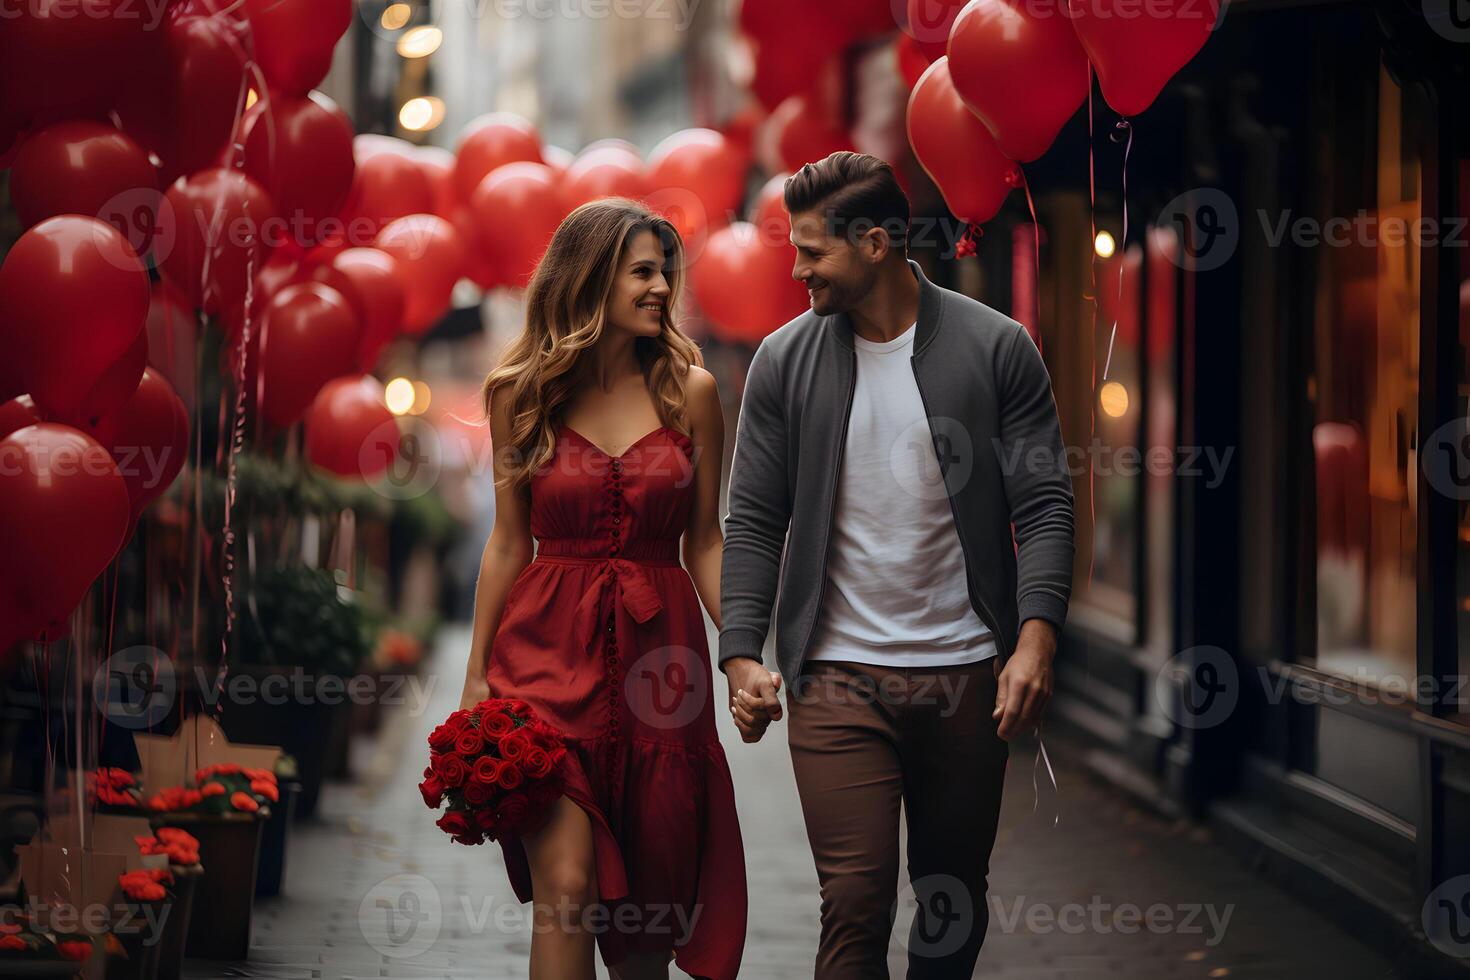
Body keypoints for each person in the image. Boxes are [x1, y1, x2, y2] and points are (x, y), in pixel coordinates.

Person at [719, 151, 1075, 978]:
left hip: (964, 677)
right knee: (854, 899)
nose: (797, 268)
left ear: (875, 243)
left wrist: (1035, 640)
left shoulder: (998, 347)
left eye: (813, 251)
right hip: (838, 678)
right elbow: (756, 519)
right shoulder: (783, 360)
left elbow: (1046, 505)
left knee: (952, 902)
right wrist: (742, 653)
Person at [461, 198, 746, 980]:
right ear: (590, 277)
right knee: (565, 885)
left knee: (646, 922)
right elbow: (509, 541)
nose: (661, 288)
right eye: (643, 271)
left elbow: (706, 541)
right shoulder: (519, 393)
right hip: (542, 663)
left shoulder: (692, 392)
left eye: (666, 272)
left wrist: (745, 655)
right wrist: (475, 669)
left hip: (666, 671)